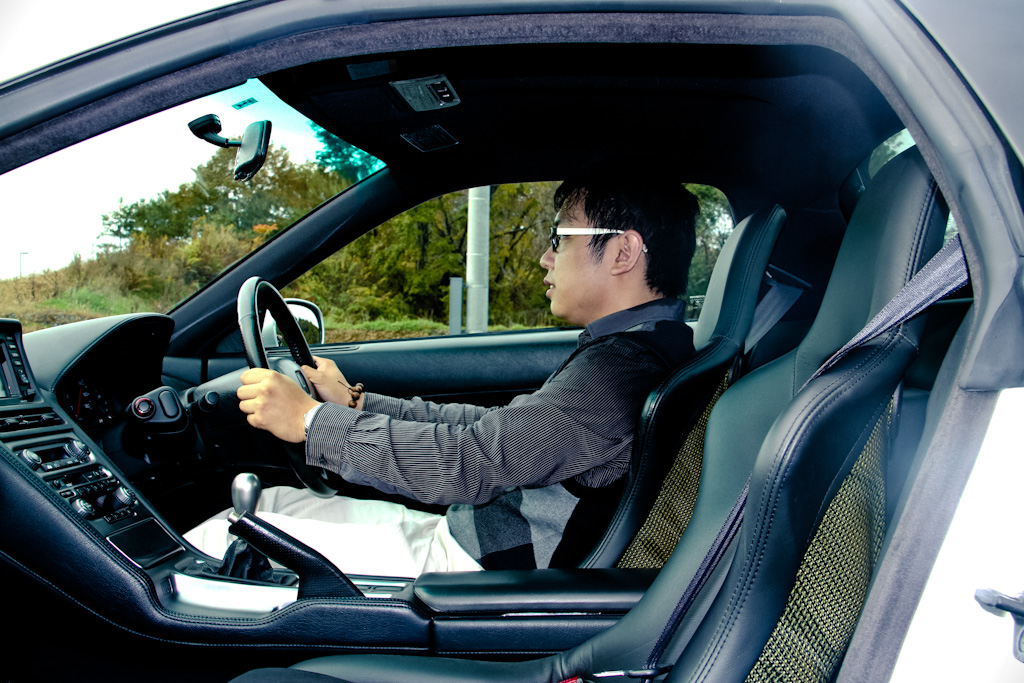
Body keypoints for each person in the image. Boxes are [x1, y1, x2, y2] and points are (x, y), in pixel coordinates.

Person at [185, 162, 700, 577]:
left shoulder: (617, 373)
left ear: (623, 251)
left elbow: (469, 462)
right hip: (471, 541)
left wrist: (310, 422)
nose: (546, 258)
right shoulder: (639, 350)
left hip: (473, 576)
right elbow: (488, 432)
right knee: (268, 502)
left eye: (559, 237)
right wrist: (354, 404)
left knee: (220, 536)